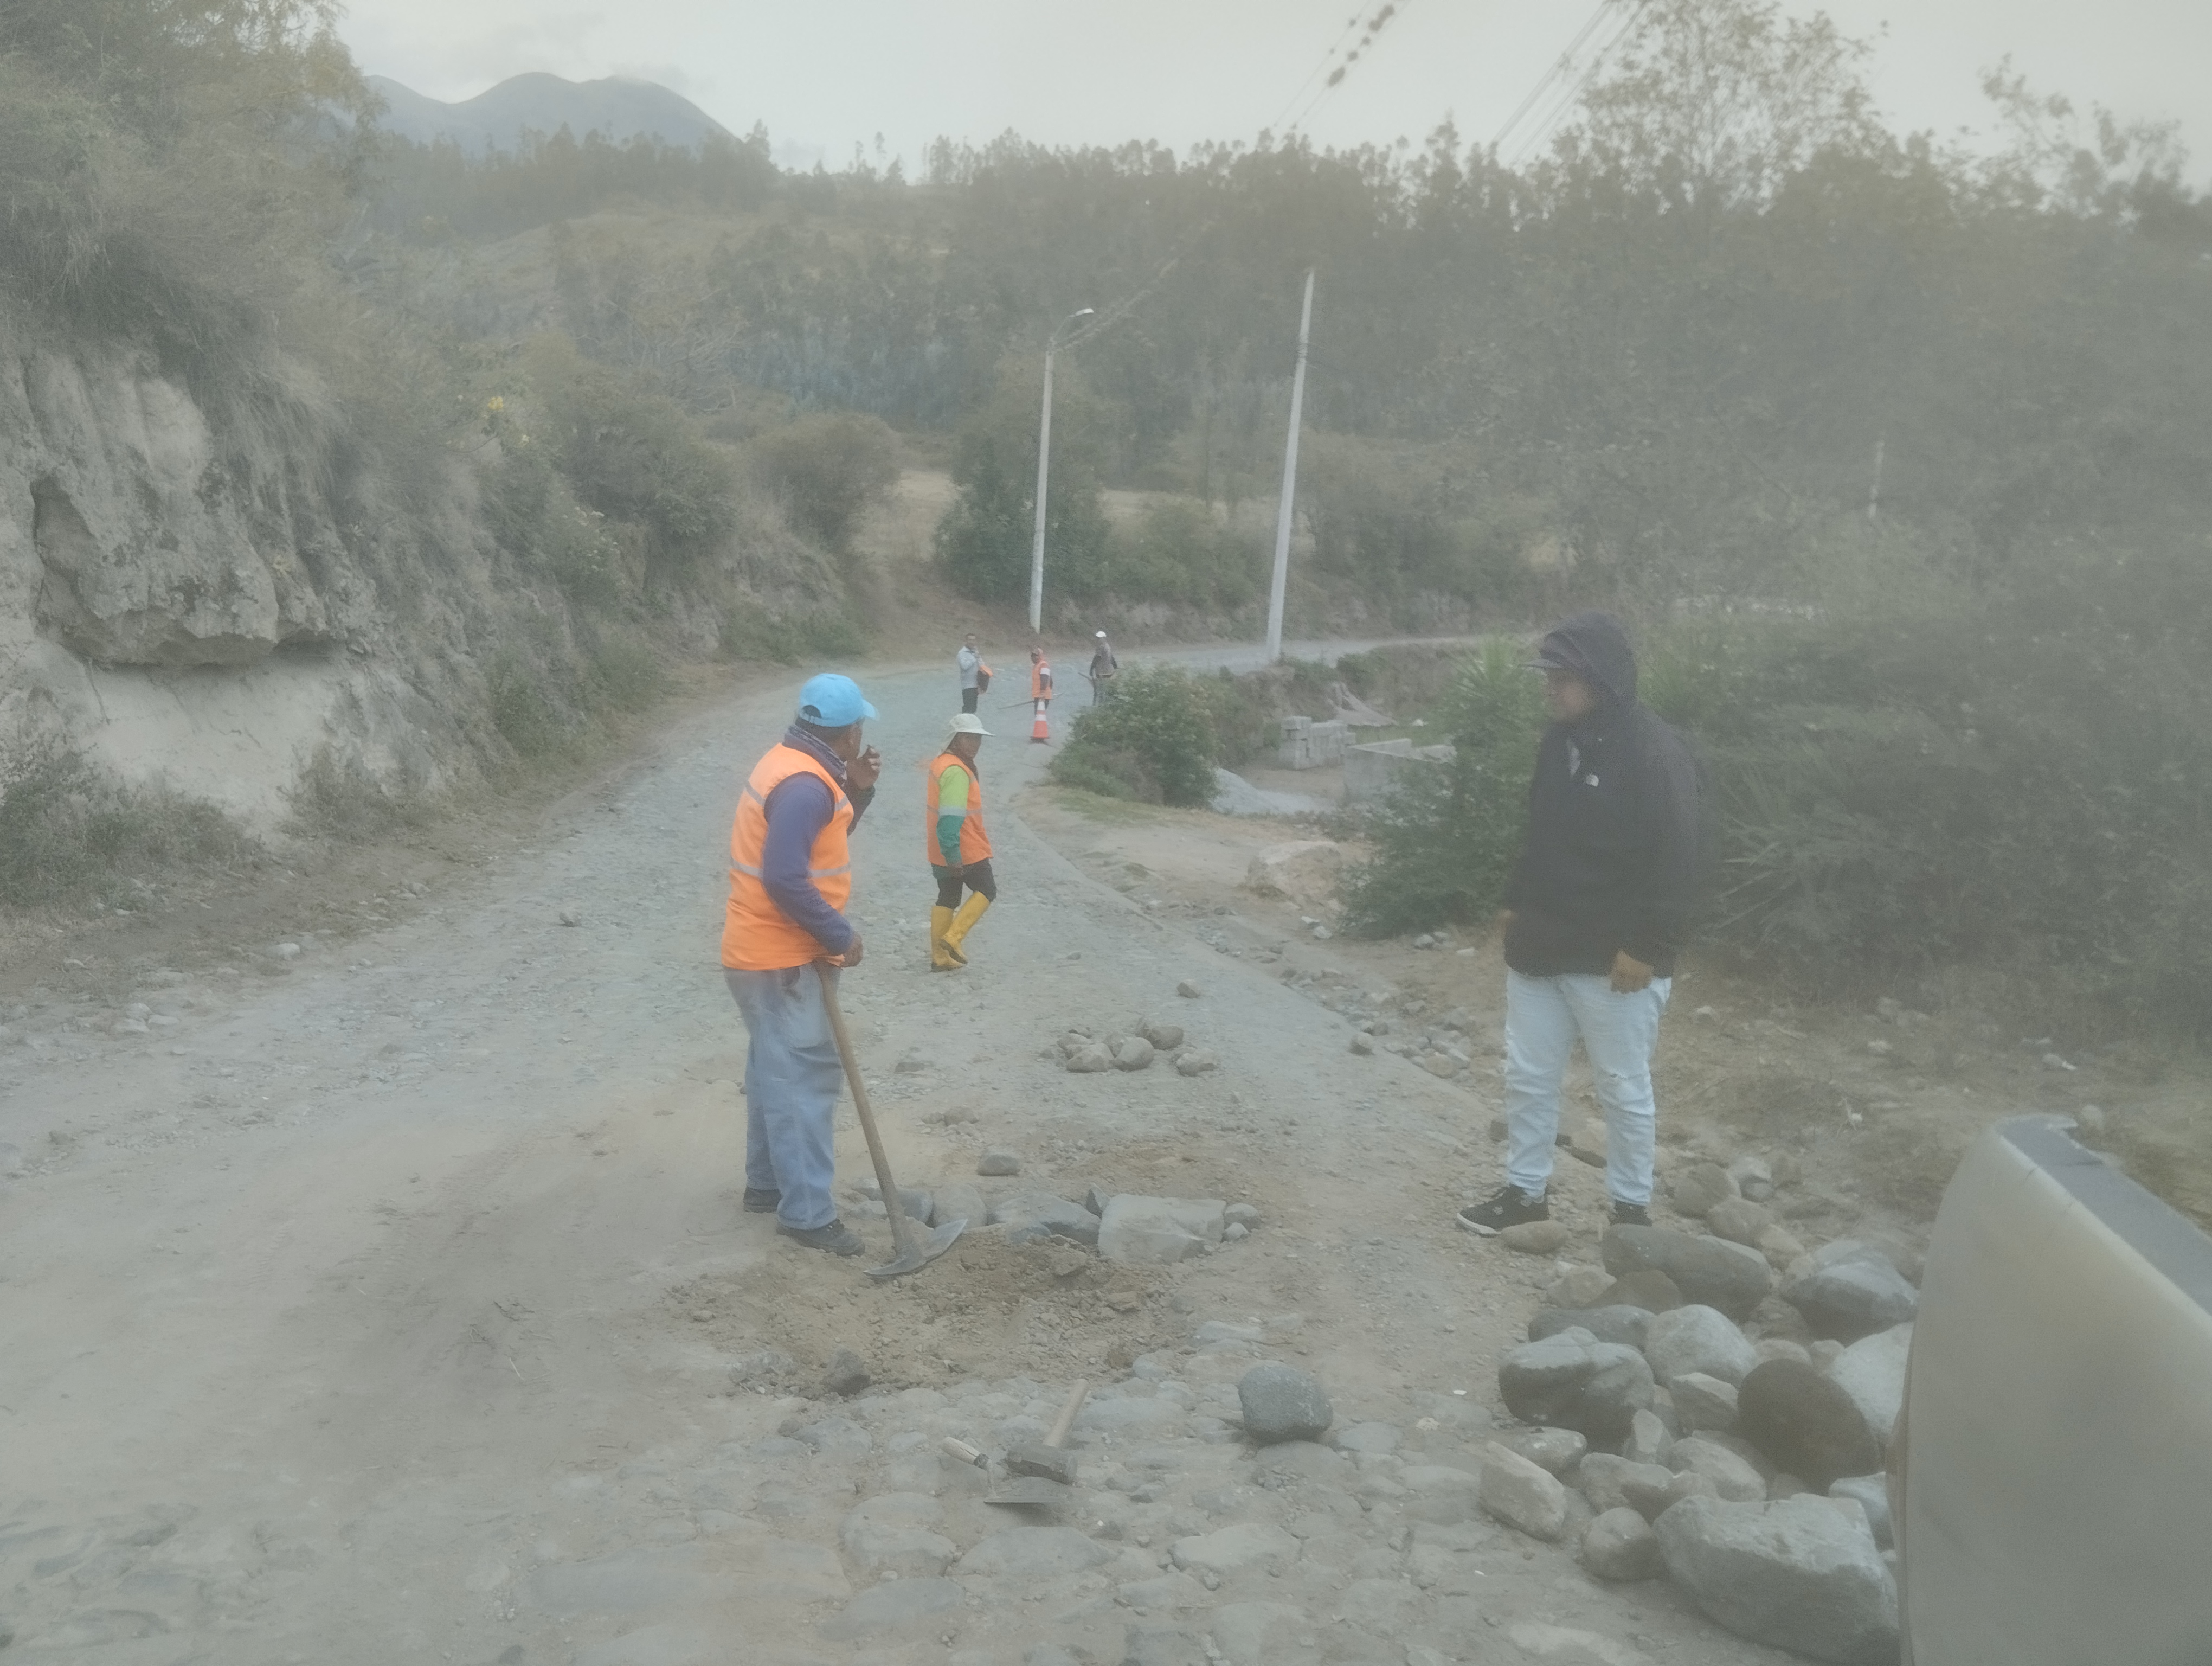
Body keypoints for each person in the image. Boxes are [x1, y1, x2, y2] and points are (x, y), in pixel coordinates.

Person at [1458, 611, 1705, 1236]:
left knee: (1621, 1087)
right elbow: (1541, 830)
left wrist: (1650, 945)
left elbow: (1681, 856)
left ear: (1601, 680)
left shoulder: (1654, 753)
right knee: (1529, 1076)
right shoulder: (1559, 742)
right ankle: (1525, 1194)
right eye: (1548, 676)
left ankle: (1630, 1213)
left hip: (1617, 960)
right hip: (1541, 946)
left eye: (1562, 678)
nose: (1550, 689)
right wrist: (1515, 898)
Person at [721, 673, 883, 1256]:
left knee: (775, 1068)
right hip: (782, 958)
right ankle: (808, 1214)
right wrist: (839, 934)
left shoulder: (791, 765)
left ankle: (767, 1185)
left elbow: (817, 842)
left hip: (761, 953)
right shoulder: (806, 787)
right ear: (850, 733)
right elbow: (786, 877)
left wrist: (857, 790)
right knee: (804, 1079)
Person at [925, 713, 996, 971]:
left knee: (948, 896)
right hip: (963, 846)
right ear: (955, 739)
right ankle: (953, 939)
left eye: (978, 739)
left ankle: (940, 958)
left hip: (940, 846)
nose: (975, 744)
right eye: (969, 738)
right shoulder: (957, 771)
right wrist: (953, 855)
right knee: (987, 890)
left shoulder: (941, 763)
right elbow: (951, 817)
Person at [955, 634, 991, 715]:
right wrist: (974, 657)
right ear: (966, 641)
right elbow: (964, 667)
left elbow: (982, 664)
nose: (972, 642)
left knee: (973, 709)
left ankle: (969, 722)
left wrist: (986, 673)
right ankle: (963, 722)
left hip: (976, 685)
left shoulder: (975, 652)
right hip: (967, 686)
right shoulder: (962, 653)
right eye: (970, 640)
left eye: (974, 640)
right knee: (968, 709)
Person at [1027, 644, 1054, 743]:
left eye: (1036, 655)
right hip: (1039, 696)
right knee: (1038, 715)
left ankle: (1040, 736)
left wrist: (1043, 694)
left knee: (1039, 715)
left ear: (1040, 656)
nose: (1034, 658)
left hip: (1042, 696)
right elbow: (1051, 681)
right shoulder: (1037, 666)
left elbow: (1045, 680)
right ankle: (1039, 735)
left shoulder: (1043, 665)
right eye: (1032, 656)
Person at [1087, 630, 1118, 705]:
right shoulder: (1108, 647)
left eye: (1100, 638)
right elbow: (1112, 658)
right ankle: (1104, 703)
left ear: (1104, 638)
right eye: (1097, 638)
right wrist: (1116, 667)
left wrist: (1092, 669)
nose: (1098, 640)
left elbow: (1097, 658)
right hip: (1108, 672)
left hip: (1102, 672)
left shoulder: (1101, 647)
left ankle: (1099, 705)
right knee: (1105, 690)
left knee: (1100, 691)